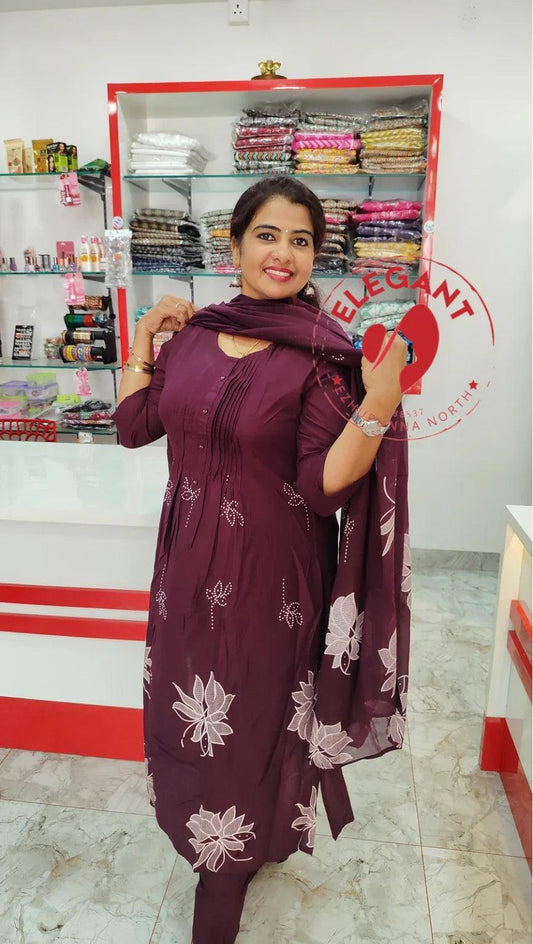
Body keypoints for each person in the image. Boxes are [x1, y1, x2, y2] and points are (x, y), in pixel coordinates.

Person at [113, 177, 408, 943]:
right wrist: (143, 342)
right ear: (236, 243)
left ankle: (228, 870)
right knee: (190, 710)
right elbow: (134, 424)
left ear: (315, 256)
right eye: (268, 235)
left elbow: (320, 489)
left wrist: (375, 403)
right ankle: (222, 835)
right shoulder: (192, 339)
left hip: (268, 578)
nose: (283, 254)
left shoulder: (318, 359)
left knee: (251, 713)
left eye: (301, 240)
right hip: (183, 572)